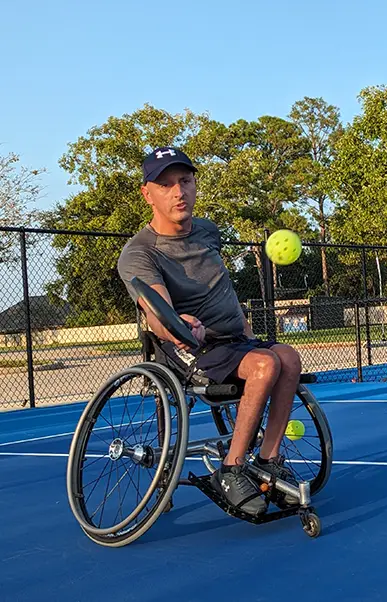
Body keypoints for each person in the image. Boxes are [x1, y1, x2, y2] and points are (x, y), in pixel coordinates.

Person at [117, 146, 302, 514]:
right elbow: (157, 310)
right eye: (165, 185)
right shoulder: (140, 253)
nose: (178, 192)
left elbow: (223, 289)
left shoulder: (207, 231)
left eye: (184, 181)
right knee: (266, 365)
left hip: (237, 342)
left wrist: (247, 333)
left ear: (195, 184)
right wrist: (176, 325)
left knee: (289, 358)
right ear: (147, 194)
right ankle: (231, 469)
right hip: (192, 348)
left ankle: (267, 461)